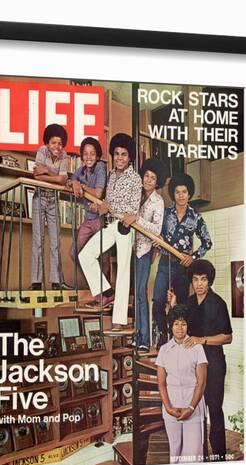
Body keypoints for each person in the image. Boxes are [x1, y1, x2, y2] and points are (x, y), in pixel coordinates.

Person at [168, 259, 233, 461]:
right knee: (194, 412)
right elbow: (179, 326)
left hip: (213, 364)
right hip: (193, 366)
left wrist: (202, 340)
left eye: (203, 279)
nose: (199, 284)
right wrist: (173, 306)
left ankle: (220, 457)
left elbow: (228, 337)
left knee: (214, 410)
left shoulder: (218, 303)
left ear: (209, 280)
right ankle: (200, 457)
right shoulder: (188, 303)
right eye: (195, 279)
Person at [79, 133, 142, 330]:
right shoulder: (111, 175)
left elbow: (133, 209)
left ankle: (119, 321)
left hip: (125, 226)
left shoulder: (135, 178)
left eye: (124, 154)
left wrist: (110, 208)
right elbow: (106, 203)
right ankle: (105, 293)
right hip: (110, 225)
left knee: (122, 272)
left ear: (129, 157)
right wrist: (101, 208)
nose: (120, 158)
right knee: (85, 255)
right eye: (117, 154)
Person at [152, 173, 212, 348]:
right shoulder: (165, 214)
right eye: (177, 192)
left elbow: (207, 242)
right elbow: (155, 231)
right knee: (157, 302)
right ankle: (163, 335)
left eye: (184, 192)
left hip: (183, 268)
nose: (180, 196)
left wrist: (192, 257)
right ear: (173, 194)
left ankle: (178, 341)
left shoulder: (196, 217)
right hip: (164, 262)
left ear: (189, 194)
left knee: (181, 307)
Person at [121, 158, 167, 355]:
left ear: (157, 182)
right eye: (146, 176)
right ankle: (136, 334)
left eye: (152, 178)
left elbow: (156, 229)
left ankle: (144, 339)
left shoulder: (158, 201)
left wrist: (136, 219)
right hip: (127, 247)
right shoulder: (136, 194)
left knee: (140, 293)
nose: (148, 180)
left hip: (144, 250)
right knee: (131, 293)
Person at [156, 305, 208, 464]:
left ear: (188, 326)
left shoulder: (197, 348)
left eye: (183, 323)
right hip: (171, 407)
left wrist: (191, 407)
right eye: (176, 323)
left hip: (193, 406)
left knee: (193, 455)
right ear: (171, 325)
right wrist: (169, 408)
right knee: (175, 452)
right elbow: (161, 384)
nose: (180, 328)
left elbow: (201, 383)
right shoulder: (164, 350)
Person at [31, 124, 73, 291]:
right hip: (39, 199)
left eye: (60, 143)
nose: (57, 146)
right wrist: (55, 176)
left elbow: (63, 181)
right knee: (38, 241)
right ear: (48, 143)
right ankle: (36, 282)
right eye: (54, 142)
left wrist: (46, 172)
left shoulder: (65, 156)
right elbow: (36, 176)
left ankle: (56, 282)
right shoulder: (42, 151)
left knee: (55, 242)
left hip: (53, 200)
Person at [69, 137, 108, 280]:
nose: (89, 157)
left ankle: (105, 292)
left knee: (103, 256)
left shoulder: (100, 167)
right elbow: (71, 180)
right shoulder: (81, 170)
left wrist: (81, 186)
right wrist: (74, 183)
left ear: (97, 156)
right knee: (75, 253)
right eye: (85, 153)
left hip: (100, 219)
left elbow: (97, 193)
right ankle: (95, 282)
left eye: (92, 153)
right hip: (88, 218)